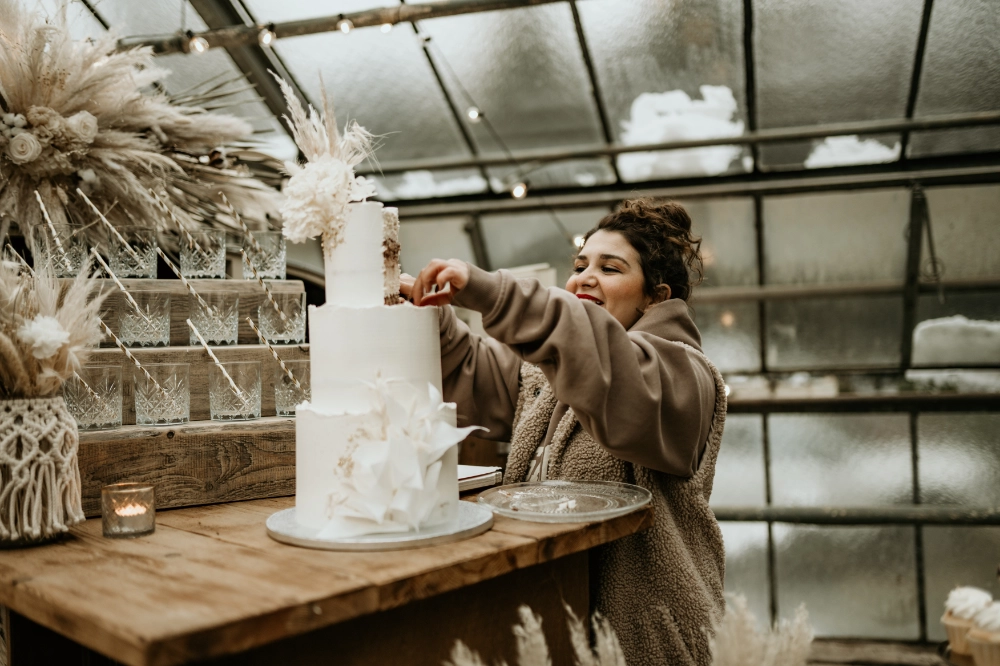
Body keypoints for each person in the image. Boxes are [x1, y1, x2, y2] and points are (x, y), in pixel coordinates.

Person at [402, 198, 727, 666]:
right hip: (556, 620)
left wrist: (498, 295)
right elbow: (475, 372)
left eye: (609, 268)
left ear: (655, 297)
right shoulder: (547, 374)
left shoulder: (683, 376)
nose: (584, 278)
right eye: (579, 265)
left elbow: (612, 375)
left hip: (643, 641)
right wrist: (429, 320)